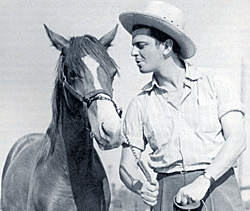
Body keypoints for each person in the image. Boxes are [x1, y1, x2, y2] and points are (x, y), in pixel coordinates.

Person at [118, 1, 246, 211]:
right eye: (133, 45)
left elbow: (237, 139)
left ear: (167, 46)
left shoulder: (215, 82)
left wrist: (204, 180)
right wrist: (139, 187)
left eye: (141, 45)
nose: (133, 53)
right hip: (166, 197)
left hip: (218, 189)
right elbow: (127, 165)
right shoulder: (139, 104)